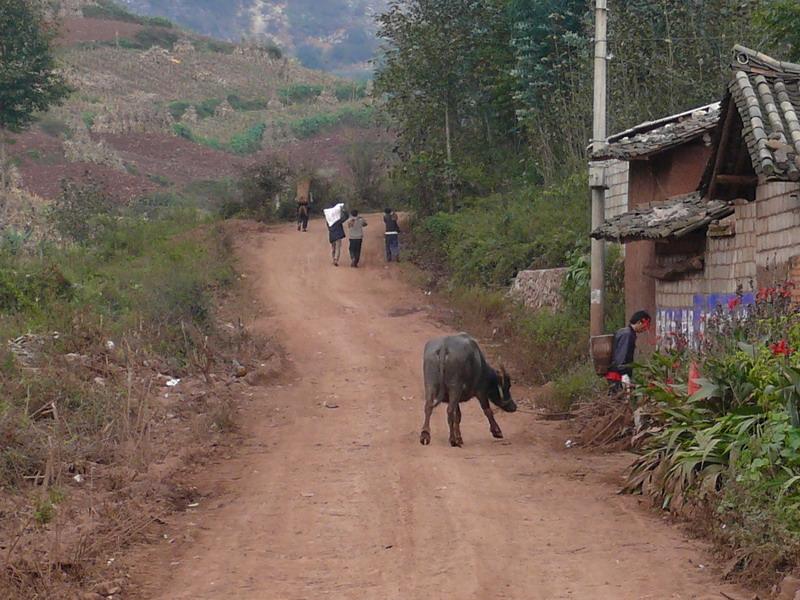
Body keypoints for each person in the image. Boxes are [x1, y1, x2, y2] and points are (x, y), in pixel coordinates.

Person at [606, 310, 652, 396]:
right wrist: (624, 373)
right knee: (618, 401)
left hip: (616, 374)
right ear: (639, 322)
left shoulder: (625, 332)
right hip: (617, 375)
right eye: (644, 326)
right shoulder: (628, 334)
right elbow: (621, 355)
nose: (645, 329)